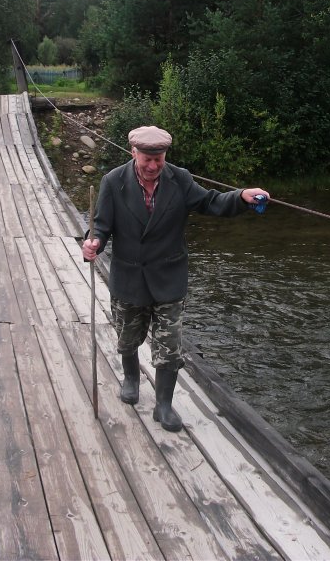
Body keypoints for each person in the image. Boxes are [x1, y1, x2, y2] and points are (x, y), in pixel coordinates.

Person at [81, 125, 269, 432]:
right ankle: (130, 379)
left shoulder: (179, 178)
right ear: (134, 153)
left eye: (159, 158)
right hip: (129, 278)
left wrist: (242, 197)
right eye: (147, 159)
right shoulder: (112, 182)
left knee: (169, 346)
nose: (154, 166)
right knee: (128, 338)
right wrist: (93, 243)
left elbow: (211, 202)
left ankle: (163, 405)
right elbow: (100, 227)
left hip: (169, 278)